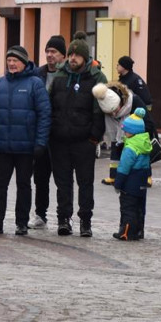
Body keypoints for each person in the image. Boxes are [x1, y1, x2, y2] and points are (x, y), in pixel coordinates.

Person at [0, 46, 51, 236]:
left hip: (26, 147)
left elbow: (45, 115)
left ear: (24, 62)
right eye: (9, 60)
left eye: (15, 60)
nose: (11, 64)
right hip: (2, 146)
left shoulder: (35, 84)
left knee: (24, 185)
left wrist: (40, 142)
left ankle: (22, 223)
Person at [48, 32, 107, 237]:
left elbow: (99, 112)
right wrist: (51, 132)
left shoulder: (93, 78)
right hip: (59, 140)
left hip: (84, 141)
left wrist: (94, 137)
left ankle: (85, 221)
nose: (73, 58)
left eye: (77, 55)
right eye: (70, 55)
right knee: (62, 183)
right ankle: (63, 219)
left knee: (85, 182)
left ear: (84, 58)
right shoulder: (58, 77)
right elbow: (49, 105)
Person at [29, 34, 66, 229]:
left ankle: (63, 217)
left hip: (60, 134)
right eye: (48, 51)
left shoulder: (67, 75)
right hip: (40, 133)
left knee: (62, 178)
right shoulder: (37, 74)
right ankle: (40, 214)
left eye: (54, 52)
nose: (50, 55)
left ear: (63, 55)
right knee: (40, 177)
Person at [111, 107, 152, 241]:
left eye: (126, 130)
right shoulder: (144, 143)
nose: (124, 132)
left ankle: (126, 232)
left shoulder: (130, 147)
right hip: (141, 183)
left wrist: (118, 183)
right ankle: (137, 232)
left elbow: (123, 168)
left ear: (132, 131)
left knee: (128, 208)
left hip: (130, 184)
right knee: (139, 209)